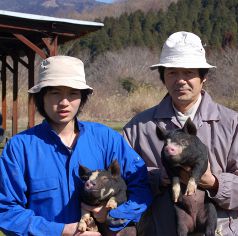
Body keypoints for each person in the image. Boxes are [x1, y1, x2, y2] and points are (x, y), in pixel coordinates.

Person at [0, 55, 152, 236]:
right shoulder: (20, 148)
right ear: (41, 97)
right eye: (55, 93)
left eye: (73, 93)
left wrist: (113, 216)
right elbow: (6, 211)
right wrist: (63, 230)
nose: (64, 102)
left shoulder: (106, 138)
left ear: (82, 97)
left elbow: (141, 184)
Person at [123, 31, 238, 235]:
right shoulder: (138, 127)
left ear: (204, 77)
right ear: (163, 77)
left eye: (189, 73)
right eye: (172, 73)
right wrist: (159, 178)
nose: (181, 80)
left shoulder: (231, 123)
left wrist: (214, 183)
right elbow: (124, 181)